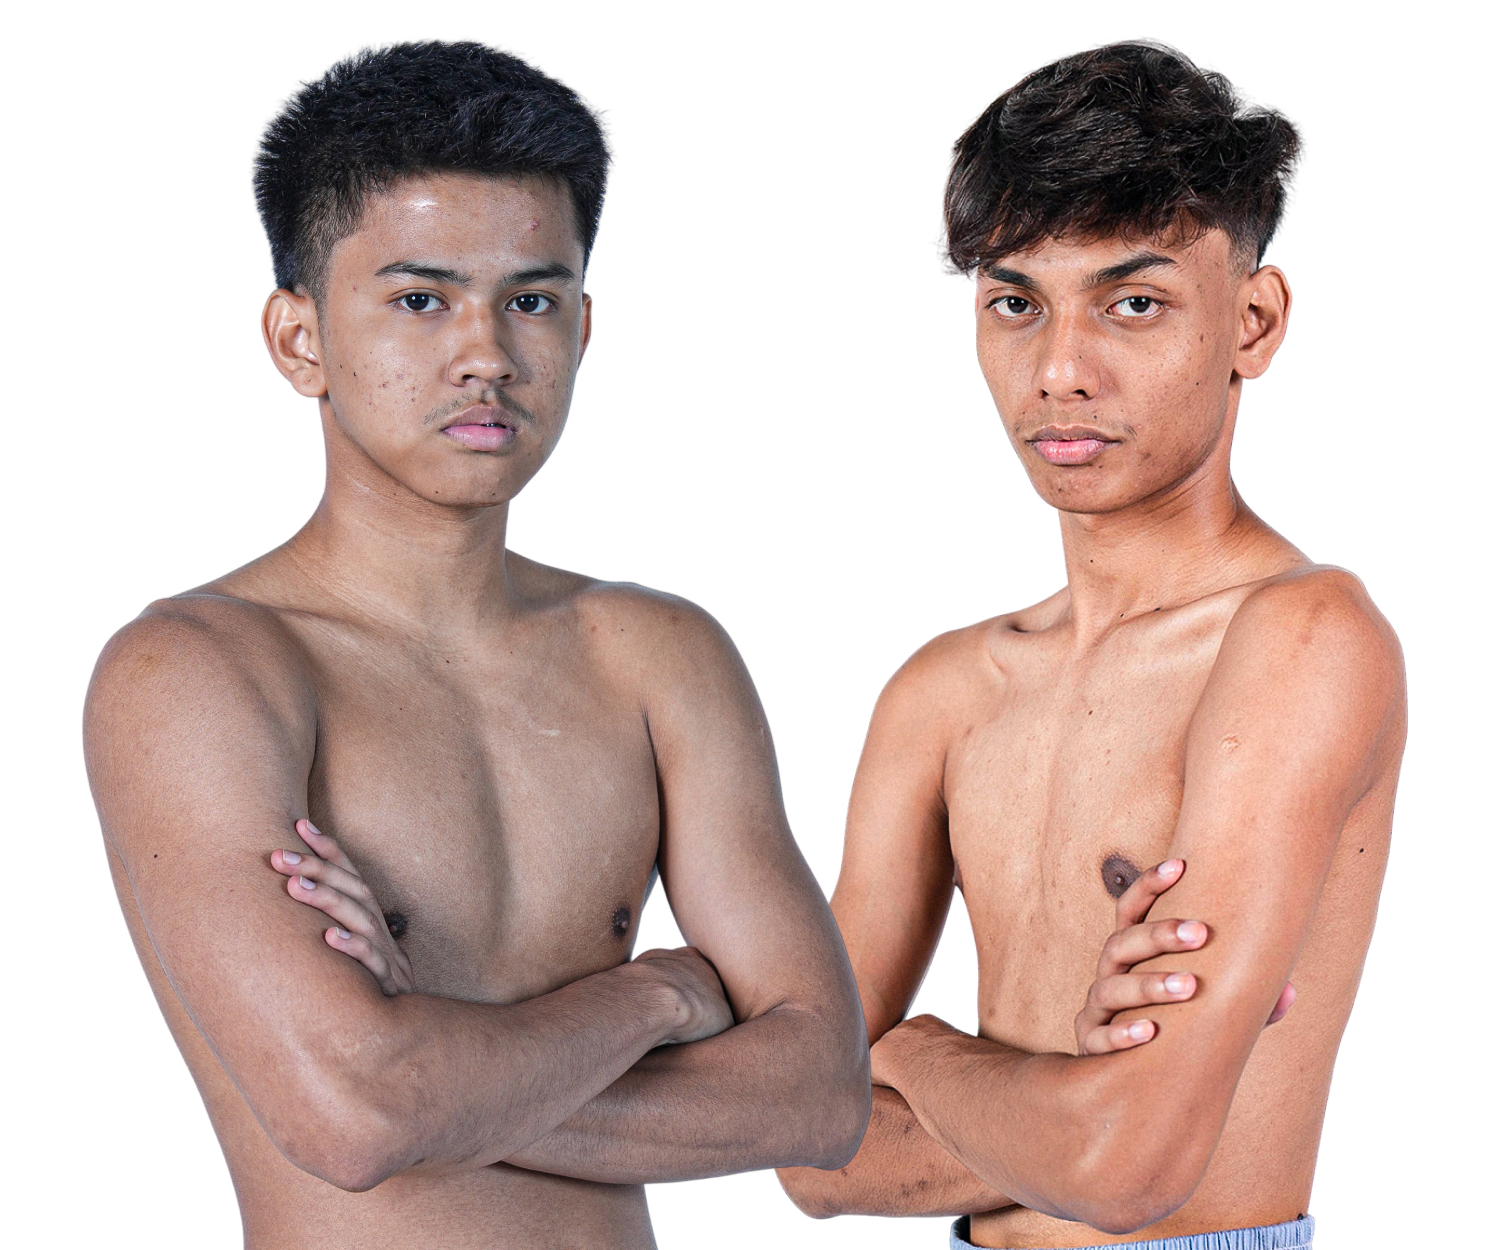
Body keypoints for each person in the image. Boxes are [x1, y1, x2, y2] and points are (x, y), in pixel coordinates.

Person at [82, 38, 881, 1248]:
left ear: (584, 327)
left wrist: (439, 1073)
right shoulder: (199, 669)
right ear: (299, 340)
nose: (487, 355)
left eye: (531, 300)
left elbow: (821, 1095)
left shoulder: (658, 653)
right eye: (421, 299)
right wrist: (657, 990)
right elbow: (358, 1112)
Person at [774, 37, 1405, 1250]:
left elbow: (1128, 1165)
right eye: (1017, 303)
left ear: (1254, 322)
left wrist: (911, 1047)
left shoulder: (1305, 635)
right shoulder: (941, 688)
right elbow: (806, 1150)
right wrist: (1074, 1108)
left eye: (1133, 302)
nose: (1061, 370)